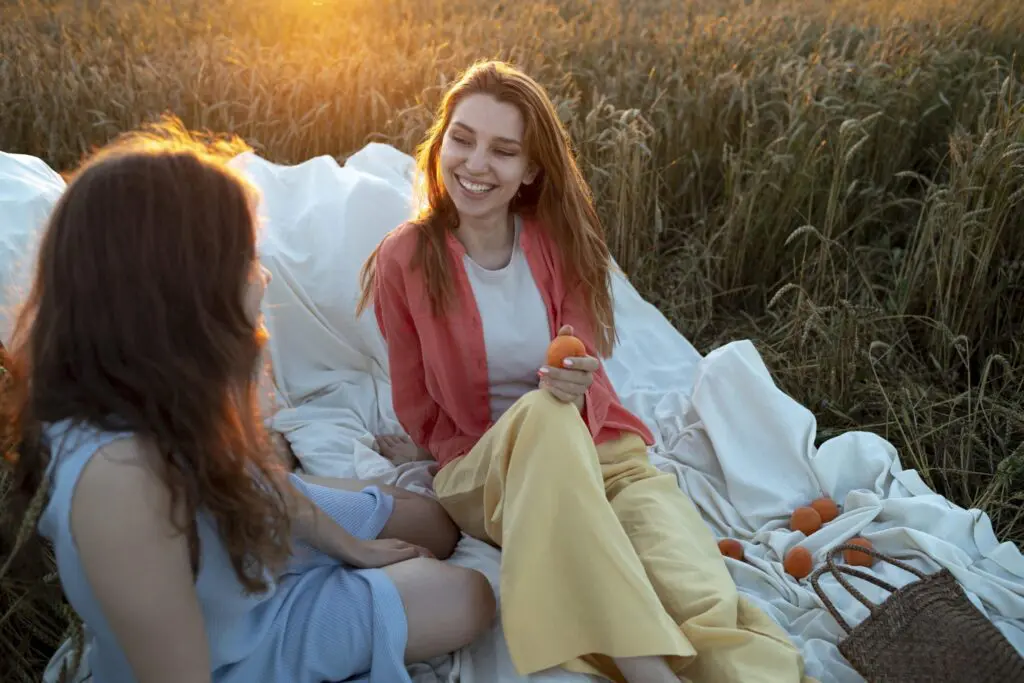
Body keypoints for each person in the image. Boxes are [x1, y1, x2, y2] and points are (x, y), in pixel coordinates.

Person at [358, 61, 810, 683]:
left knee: (698, 595)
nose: (475, 163)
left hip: (608, 456)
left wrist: (574, 372)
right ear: (441, 144)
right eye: (462, 139)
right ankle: (643, 666)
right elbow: (417, 401)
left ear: (530, 171)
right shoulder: (405, 257)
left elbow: (581, 349)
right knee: (544, 412)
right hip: (489, 473)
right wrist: (428, 443)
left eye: (503, 150)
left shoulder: (560, 239)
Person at [1, 119, 496, 683]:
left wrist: (349, 548)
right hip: (242, 642)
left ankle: (343, 547)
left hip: (249, 524)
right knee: (469, 596)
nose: (260, 277)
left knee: (436, 523)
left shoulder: (170, 378)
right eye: (241, 261)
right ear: (182, 293)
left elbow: (246, 466)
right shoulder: (117, 481)